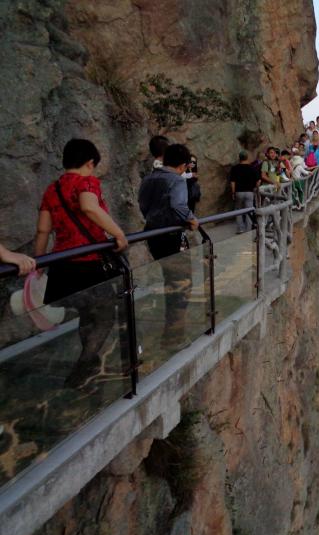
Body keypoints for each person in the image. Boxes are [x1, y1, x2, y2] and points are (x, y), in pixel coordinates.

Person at [35, 138, 128, 387]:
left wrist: (39, 262)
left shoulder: (51, 189)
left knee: (88, 314)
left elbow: (43, 230)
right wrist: (118, 234)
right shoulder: (86, 181)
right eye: (93, 166)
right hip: (88, 263)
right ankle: (85, 365)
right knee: (105, 314)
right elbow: (89, 207)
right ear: (89, 162)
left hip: (62, 264)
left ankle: (90, 362)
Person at [138, 143, 198, 347]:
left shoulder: (149, 178)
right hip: (171, 234)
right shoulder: (176, 180)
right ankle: (174, 338)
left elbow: (143, 204)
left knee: (171, 280)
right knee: (181, 284)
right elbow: (178, 205)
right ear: (183, 165)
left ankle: (172, 333)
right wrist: (191, 219)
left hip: (153, 234)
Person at [229, 150, 261, 233]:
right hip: (249, 192)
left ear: (239, 158)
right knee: (249, 210)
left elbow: (233, 182)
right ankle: (248, 229)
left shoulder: (235, 168)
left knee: (238, 210)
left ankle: (240, 229)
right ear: (247, 158)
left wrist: (233, 192)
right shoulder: (252, 168)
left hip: (239, 192)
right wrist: (255, 188)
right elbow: (258, 181)